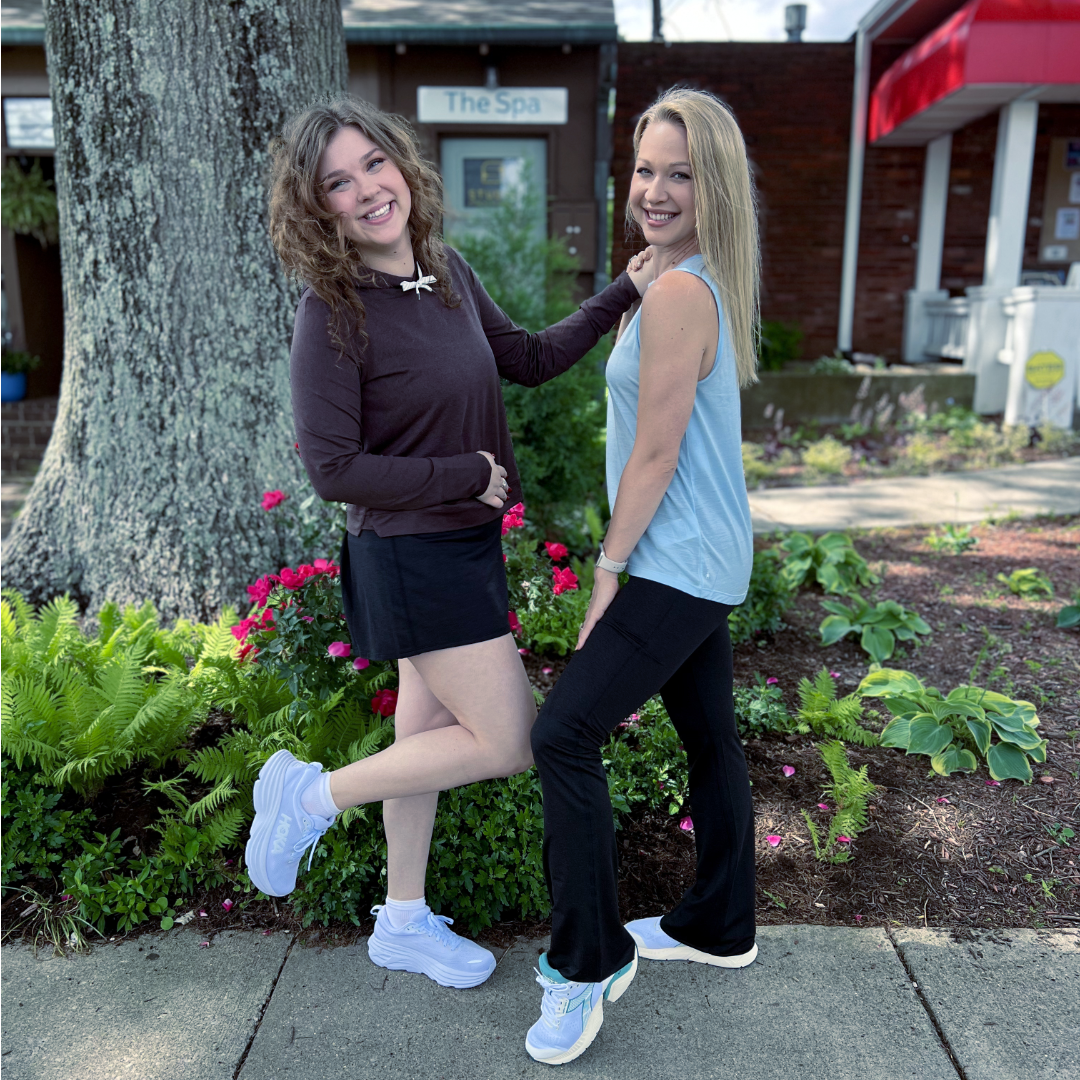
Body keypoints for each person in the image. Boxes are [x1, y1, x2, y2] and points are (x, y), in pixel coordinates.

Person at [242, 97, 651, 991]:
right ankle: (307, 797)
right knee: (507, 741)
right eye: (337, 184)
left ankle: (402, 920)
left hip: (460, 549)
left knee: (422, 736)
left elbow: (530, 357)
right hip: (409, 553)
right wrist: (462, 475)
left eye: (373, 166)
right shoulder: (332, 312)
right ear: (319, 210)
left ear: (402, 167)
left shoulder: (445, 271)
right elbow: (334, 468)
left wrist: (628, 287)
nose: (366, 191)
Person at [524, 87, 761, 1065]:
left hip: (674, 560)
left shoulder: (677, 293)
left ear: (715, 190)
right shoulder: (682, 279)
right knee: (709, 737)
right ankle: (719, 923)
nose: (656, 189)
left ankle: (587, 963)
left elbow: (654, 454)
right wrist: (636, 280)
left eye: (681, 173)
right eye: (646, 169)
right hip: (707, 553)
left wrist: (607, 572)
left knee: (564, 733)